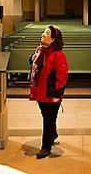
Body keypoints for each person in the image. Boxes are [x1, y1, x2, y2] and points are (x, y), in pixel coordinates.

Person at [28, 25, 68, 159]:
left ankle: (46, 147)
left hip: (50, 93)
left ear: (53, 39)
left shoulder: (58, 55)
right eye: (44, 33)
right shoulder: (40, 51)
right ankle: (53, 134)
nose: (42, 35)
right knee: (47, 116)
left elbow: (62, 77)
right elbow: (36, 64)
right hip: (40, 90)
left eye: (46, 33)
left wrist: (57, 95)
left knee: (48, 119)